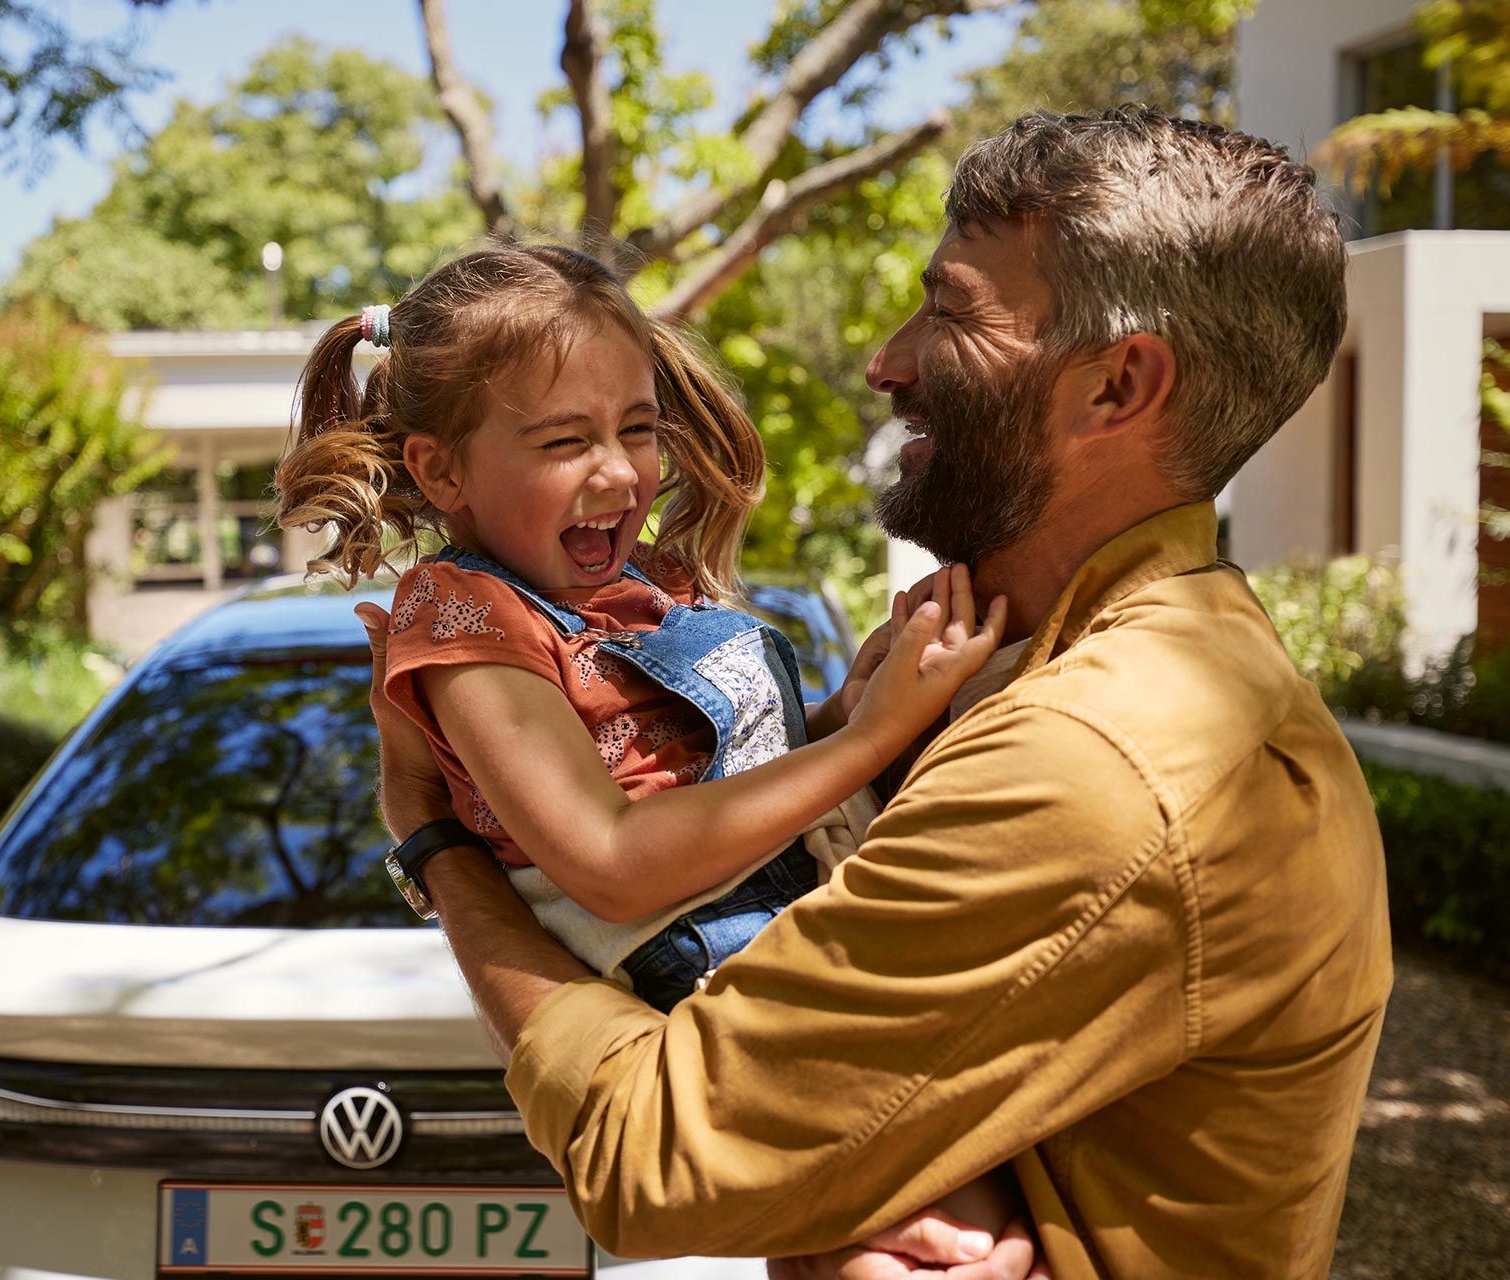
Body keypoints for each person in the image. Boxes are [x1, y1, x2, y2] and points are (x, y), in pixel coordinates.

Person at [360, 107, 1395, 1280]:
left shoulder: (1099, 759)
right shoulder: (1041, 664)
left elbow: (649, 1152)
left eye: (950, 311)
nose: (886, 359)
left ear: (1116, 386)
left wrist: (437, 841)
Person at [274, 244, 1005, 1015]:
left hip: (789, 900)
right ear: (442, 471)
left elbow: (704, 777)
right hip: (699, 963)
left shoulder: (647, 582)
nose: (621, 473)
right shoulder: (467, 617)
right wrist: (872, 740)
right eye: (564, 441)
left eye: (637, 429)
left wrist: (842, 711)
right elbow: (614, 862)